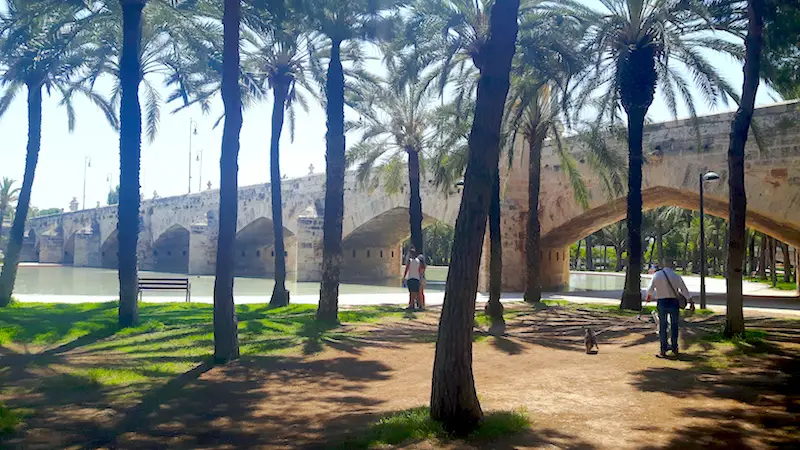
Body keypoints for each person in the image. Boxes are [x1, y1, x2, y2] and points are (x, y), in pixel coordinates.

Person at [645, 260, 692, 358]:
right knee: (674, 325)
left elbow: (650, 289)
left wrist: (649, 296)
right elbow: (684, 289)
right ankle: (674, 347)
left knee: (663, 326)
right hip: (674, 302)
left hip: (662, 302)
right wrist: (690, 301)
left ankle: (663, 349)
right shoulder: (676, 276)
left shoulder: (657, 275)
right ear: (672, 266)